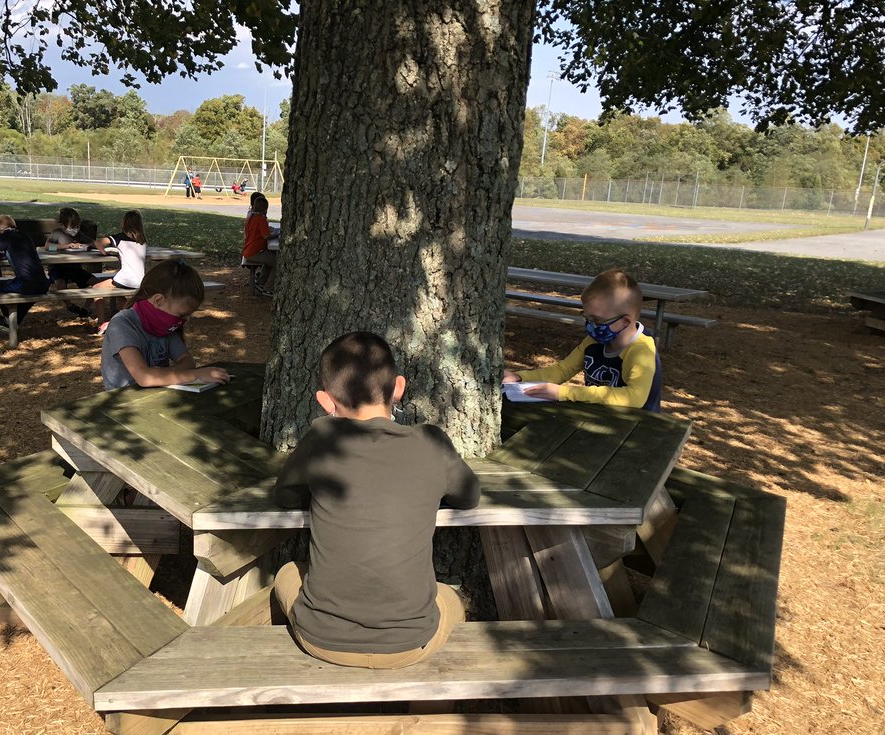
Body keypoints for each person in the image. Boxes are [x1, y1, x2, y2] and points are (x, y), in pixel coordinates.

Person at [272, 332, 480, 669]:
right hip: (411, 645)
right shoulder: (431, 442)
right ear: (398, 387)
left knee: (287, 574)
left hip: (320, 640)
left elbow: (284, 495)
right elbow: (470, 496)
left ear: (326, 402)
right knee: (451, 597)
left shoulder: (320, 438)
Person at [503, 268, 663, 412]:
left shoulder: (642, 351)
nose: (591, 326)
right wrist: (520, 377)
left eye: (597, 320)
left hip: (638, 429)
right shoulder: (594, 341)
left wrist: (565, 392)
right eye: (587, 318)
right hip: (602, 417)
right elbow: (562, 370)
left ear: (625, 321)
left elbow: (634, 397)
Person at [100, 259, 230, 390]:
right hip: (124, 403)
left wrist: (163, 373)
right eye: (182, 314)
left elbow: (188, 362)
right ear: (158, 300)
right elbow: (144, 378)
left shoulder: (165, 325)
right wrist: (196, 375)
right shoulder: (122, 324)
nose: (185, 320)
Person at [0, 214, 48, 328]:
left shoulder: (5, 236)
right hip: (43, 283)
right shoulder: (25, 235)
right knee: (25, 293)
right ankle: (14, 319)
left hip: (26, 284)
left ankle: (9, 319)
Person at [90, 210, 148, 330]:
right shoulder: (142, 240)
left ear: (124, 223)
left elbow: (98, 243)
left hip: (126, 279)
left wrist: (104, 252)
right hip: (140, 280)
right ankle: (128, 318)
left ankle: (101, 323)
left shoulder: (120, 238)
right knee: (119, 293)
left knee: (96, 289)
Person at [46, 208, 94, 317]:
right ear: (63, 225)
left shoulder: (79, 235)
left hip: (75, 268)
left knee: (97, 283)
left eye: (77, 226)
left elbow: (92, 242)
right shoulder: (57, 233)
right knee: (60, 283)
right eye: (72, 227)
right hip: (58, 268)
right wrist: (65, 246)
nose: (75, 229)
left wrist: (85, 246)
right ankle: (69, 305)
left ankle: (85, 309)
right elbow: (48, 247)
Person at [242, 194, 279, 297]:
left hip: (249, 250)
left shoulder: (251, 216)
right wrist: (277, 233)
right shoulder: (261, 219)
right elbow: (266, 235)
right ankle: (268, 288)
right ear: (265, 209)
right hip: (254, 252)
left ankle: (261, 282)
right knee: (276, 262)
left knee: (271, 258)